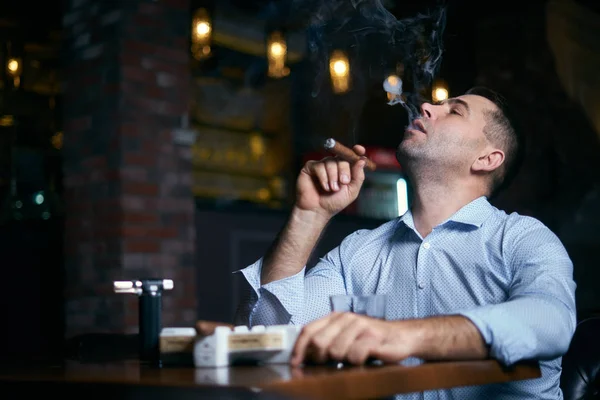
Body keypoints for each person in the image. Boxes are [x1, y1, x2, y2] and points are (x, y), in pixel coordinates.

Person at [233, 87, 577, 399]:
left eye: (454, 111)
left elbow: (551, 321)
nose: (427, 106)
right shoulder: (357, 252)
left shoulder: (523, 239)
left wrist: (405, 336)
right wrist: (308, 216)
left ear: (487, 159)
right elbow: (271, 339)